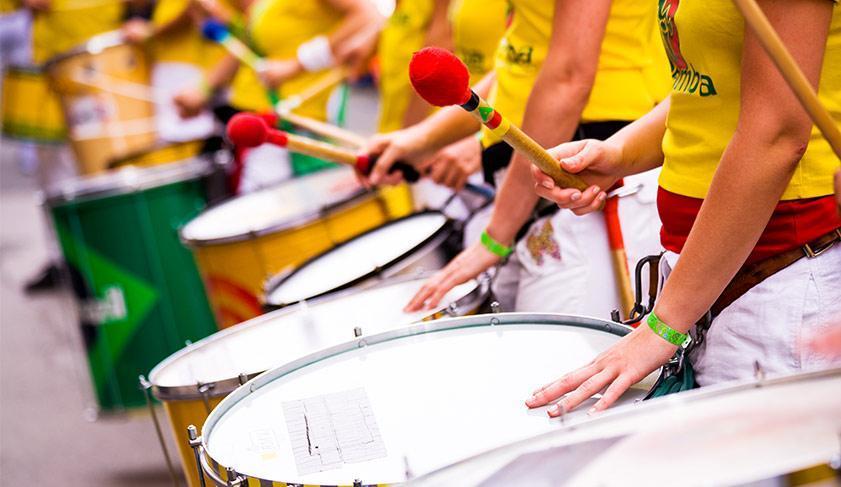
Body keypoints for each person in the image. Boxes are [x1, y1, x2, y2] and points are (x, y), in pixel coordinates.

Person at [525, 0, 841, 416]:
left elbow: (777, 135)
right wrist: (619, 152)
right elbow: (710, 85)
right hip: (707, 282)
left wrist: (663, 324)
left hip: (783, 278)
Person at [366, 0, 669, 316]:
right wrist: (419, 141)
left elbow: (568, 77)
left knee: (561, 360)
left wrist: (496, 236)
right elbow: (520, 61)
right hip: (529, 188)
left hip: (581, 179)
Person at [174, 0, 382, 191]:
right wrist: (203, 88)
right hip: (265, 116)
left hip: (300, 119)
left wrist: (296, 65)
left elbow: (367, 15)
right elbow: (248, 43)